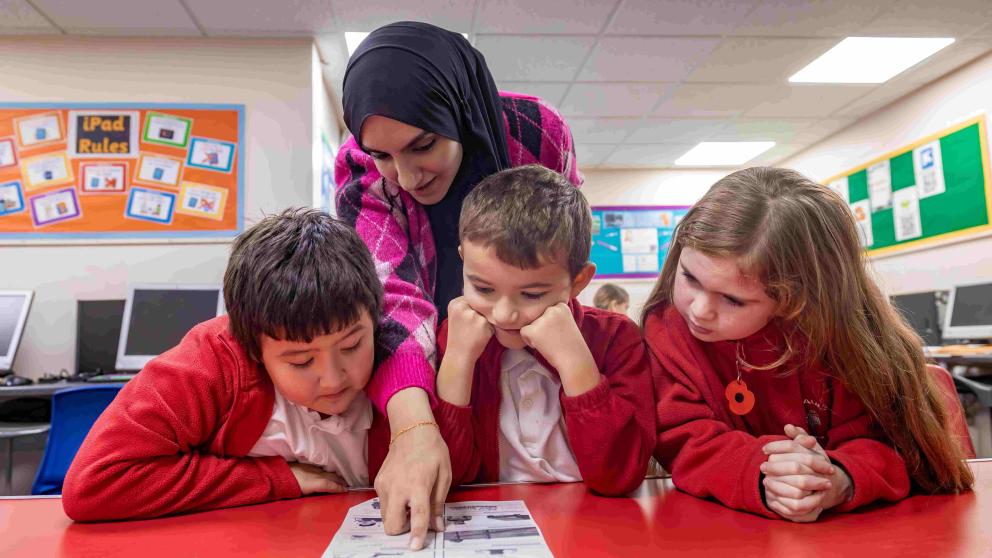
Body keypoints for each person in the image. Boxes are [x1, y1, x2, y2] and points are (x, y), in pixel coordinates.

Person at [335, 21, 580, 546]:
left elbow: (559, 247)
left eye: (422, 145)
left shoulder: (536, 131)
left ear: (460, 113)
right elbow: (390, 301)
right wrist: (414, 429)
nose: (404, 174)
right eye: (382, 155)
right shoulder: (359, 167)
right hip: (430, 363)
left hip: (530, 352)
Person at [61, 209, 447, 521]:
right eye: (300, 360)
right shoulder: (209, 362)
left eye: (351, 346)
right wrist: (271, 479)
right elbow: (95, 484)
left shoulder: (395, 348)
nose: (333, 378)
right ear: (252, 348)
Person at [641, 167, 974, 522]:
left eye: (733, 300)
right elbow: (683, 438)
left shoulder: (846, 342)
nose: (699, 310)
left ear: (794, 299)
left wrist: (838, 477)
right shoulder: (667, 330)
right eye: (690, 277)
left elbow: (902, 450)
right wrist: (766, 473)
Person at [434, 165, 655, 495]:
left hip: (592, 524)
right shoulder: (453, 336)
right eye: (483, 288)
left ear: (578, 282)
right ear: (464, 261)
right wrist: (458, 360)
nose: (505, 314)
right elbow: (448, 476)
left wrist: (575, 362)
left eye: (532, 294)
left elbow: (619, 477)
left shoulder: (615, 338)